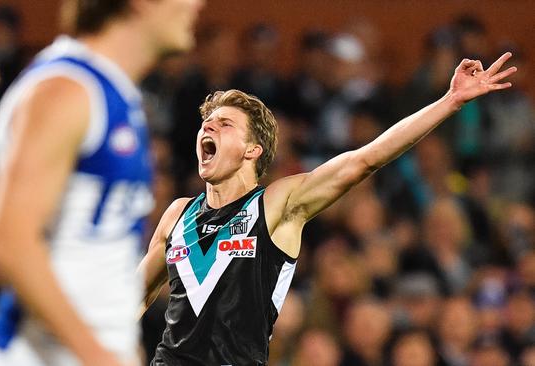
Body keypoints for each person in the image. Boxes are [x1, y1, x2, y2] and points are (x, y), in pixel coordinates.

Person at [139, 53, 517, 365]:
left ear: (253, 150)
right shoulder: (177, 214)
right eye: (206, 123)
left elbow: (363, 160)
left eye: (224, 124)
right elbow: (128, 300)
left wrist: (449, 101)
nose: (209, 129)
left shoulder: (275, 203)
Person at [0, 1, 204, 365]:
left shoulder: (116, 93)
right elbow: (9, 241)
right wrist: (97, 354)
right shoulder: (66, 89)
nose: (196, 4)